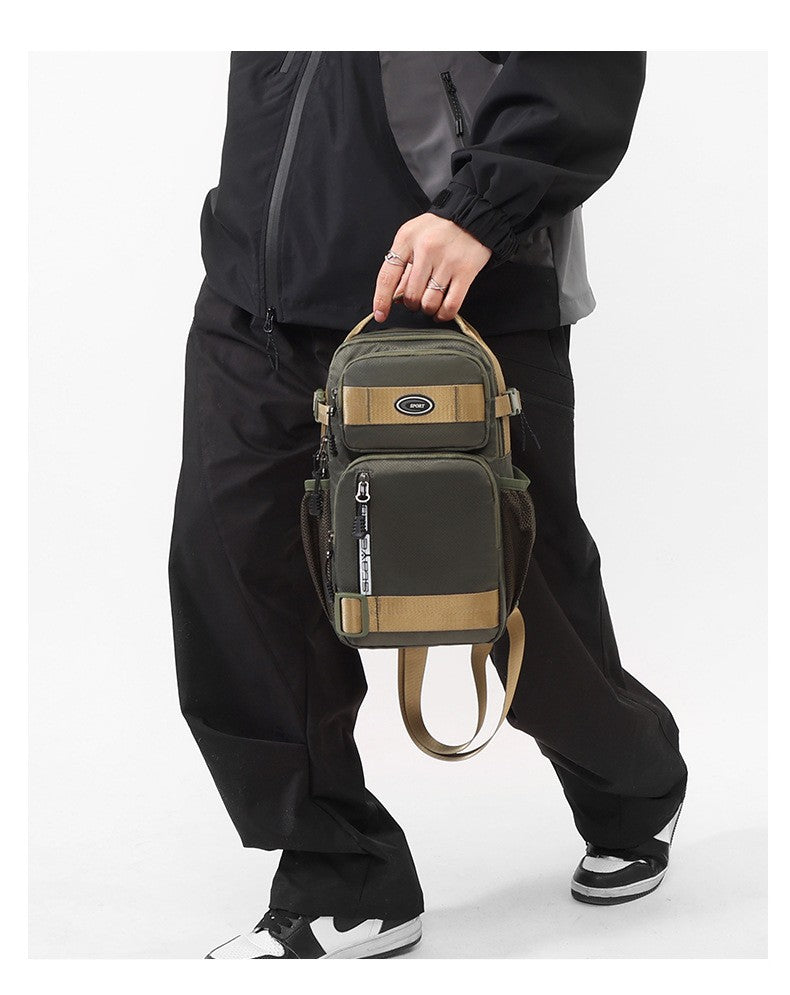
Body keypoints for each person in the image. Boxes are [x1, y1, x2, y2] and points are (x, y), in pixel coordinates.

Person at [169, 52, 688, 960]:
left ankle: (632, 781)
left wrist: (481, 207)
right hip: (256, 292)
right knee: (237, 575)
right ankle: (346, 878)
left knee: (523, 599)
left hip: (444, 279)